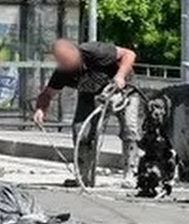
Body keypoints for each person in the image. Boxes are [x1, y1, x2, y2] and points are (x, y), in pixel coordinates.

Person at [33, 39, 140, 187]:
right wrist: (40, 109)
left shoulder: (95, 51)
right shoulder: (63, 72)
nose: (68, 65)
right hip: (89, 95)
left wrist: (120, 76)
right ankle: (84, 176)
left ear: (75, 52)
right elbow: (48, 93)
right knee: (81, 131)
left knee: (129, 129)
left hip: (122, 90)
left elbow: (129, 54)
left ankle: (130, 174)